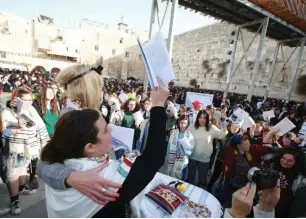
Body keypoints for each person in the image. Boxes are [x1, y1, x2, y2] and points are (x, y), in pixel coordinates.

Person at [42, 84, 169, 217]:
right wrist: (158, 105)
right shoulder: (103, 179)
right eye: (105, 130)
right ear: (90, 147)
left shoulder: (58, 161)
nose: (111, 130)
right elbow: (153, 159)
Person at [37, 65, 121, 205]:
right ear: (90, 89)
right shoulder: (73, 115)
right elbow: (45, 161)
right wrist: (70, 177)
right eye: (99, 88)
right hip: (77, 198)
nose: (101, 93)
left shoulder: (85, 111)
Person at [1, 87, 49, 214]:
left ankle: (21, 189)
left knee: (22, 170)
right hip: (13, 148)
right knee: (13, 174)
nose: (28, 103)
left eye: (30, 100)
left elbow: (40, 126)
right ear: (16, 99)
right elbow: (3, 131)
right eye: (24, 100)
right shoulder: (7, 111)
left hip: (29, 147)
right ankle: (14, 200)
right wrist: (15, 129)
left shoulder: (32, 109)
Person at [187, 110, 227, 188]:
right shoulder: (191, 127)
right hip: (192, 157)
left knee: (202, 179)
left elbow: (222, 135)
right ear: (197, 118)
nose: (202, 120)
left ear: (207, 119)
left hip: (205, 159)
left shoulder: (211, 128)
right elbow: (184, 134)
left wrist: (224, 124)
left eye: (204, 118)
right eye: (200, 117)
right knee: (190, 177)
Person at [166, 115, 195, 181]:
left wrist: (183, 147)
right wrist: (167, 156)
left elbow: (191, 149)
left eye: (185, 123)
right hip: (172, 159)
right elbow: (169, 145)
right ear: (178, 123)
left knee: (181, 179)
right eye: (181, 123)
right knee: (171, 178)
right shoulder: (174, 133)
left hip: (183, 161)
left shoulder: (189, 135)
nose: (183, 125)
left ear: (187, 124)